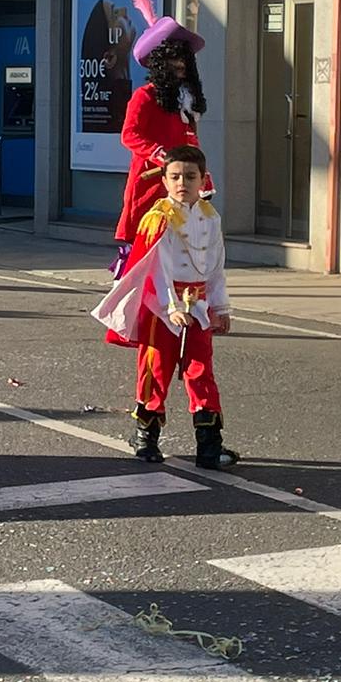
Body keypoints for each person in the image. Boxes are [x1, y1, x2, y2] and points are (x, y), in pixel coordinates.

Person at [92, 144, 239, 470]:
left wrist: (221, 306)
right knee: (154, 372)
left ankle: (209, 447)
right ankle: (146, 438)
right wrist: (170, 306)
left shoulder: (210, 218)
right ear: (164, 180)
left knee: (201, 373)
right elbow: (154, 268)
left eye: (190, 176)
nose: (182, 183)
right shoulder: (157, 218)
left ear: (203, 179)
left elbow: (216, 266)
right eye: (174, 176)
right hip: (162, 309)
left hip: (198, 307)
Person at [114, 0, 211, 257]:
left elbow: (190, 142)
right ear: (159, 63)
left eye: (183, 59)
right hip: (151, 183)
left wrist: (201, 173)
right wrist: (164, 158)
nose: (180, 65)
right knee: (147, 252)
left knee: (182, 252)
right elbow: (130, 134)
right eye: (172, 60)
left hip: (182, 185)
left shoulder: (187, 99)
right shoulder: (145, 95)